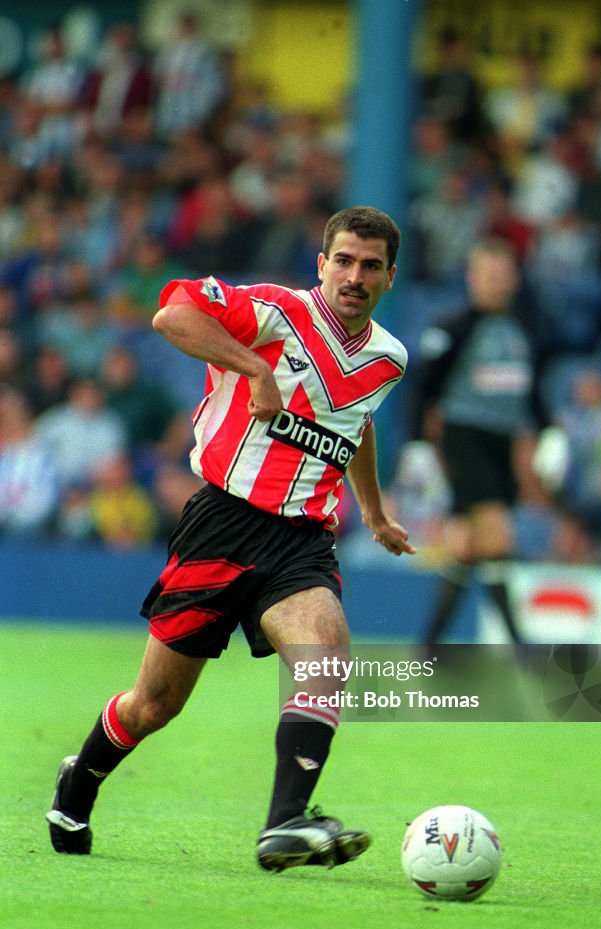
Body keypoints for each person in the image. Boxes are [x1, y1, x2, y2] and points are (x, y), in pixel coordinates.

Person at [46, 206, 415, 872]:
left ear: (390, 276)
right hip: (221, 522)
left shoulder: (389, 359)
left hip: (301, 538)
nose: (353, 276)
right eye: (343, 260)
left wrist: (375, 512)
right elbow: (171, 316)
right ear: (321, 263)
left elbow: (355, 421)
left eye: (369, 266)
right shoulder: (274, 311)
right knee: (155, 704)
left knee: (327, 655)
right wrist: (254, 367)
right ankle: (80, 781)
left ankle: (284, 824)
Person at [415, 237, 539, 649]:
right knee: (497, 536)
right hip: (464, 438)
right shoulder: (453, 328)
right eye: (486, 275)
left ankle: (430, 645)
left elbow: (531, 391)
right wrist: (418, 444)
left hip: (503, 444)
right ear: (471, 278)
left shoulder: (524, 329)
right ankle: (520, 645)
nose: (494, 283)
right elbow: (424, 389)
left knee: (466, 548)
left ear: (514, 279)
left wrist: (547, 430)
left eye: (501, 275)